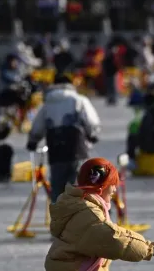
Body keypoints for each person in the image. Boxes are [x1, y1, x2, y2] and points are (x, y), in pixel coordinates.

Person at [27, 74, 101, 203]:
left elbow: (38, 126)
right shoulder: (78, 100)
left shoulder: (47, 104)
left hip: (56, 150)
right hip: (76, 147)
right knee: (79, 183)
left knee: (57, 186)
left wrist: (33, 141)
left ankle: (59, 217)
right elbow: (91, 121)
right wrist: (92, 135)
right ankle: (80, 215)